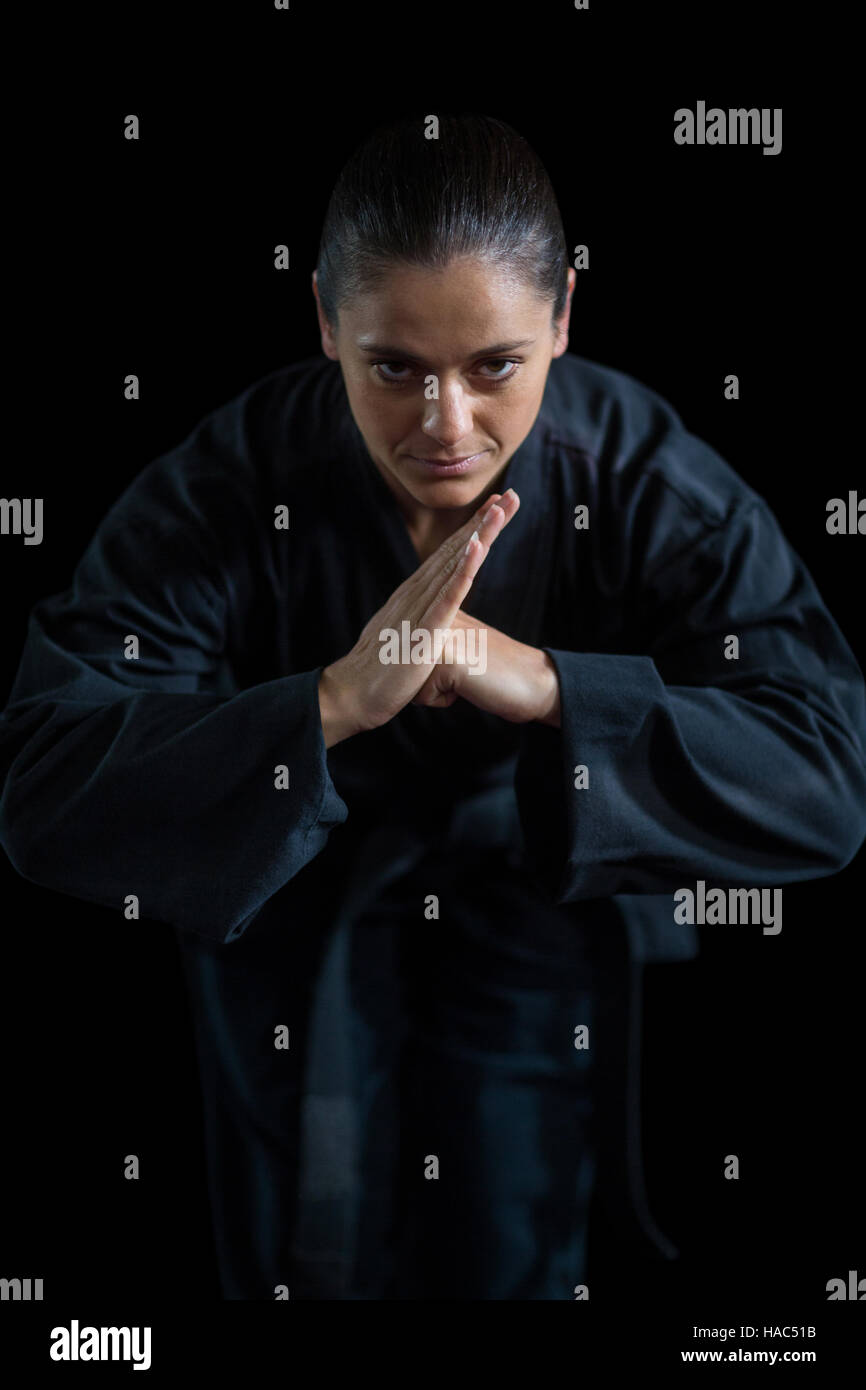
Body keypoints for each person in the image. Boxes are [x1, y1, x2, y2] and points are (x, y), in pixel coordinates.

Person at [1, 113, 864, 1301]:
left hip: (531, 909)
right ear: (322, 321)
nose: (444, 428)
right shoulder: (229, 487)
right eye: (394, 366)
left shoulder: (649, 482)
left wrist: (555, 688)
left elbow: (823, 773)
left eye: (494, 366)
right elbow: (46, 780)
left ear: (563, 314)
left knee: (509, 1238)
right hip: (294, 920)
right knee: (306, 1252)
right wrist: (331, 704)